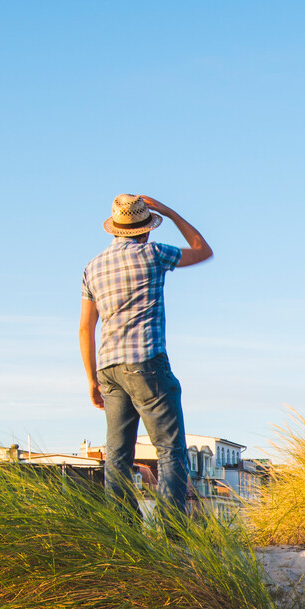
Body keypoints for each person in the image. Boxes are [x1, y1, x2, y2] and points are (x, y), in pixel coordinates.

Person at [79, 194, 213, 517]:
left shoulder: (93, 267)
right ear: (147, 229)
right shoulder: (152, 253)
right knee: (170, 450)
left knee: (117, 456)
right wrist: (167, 210)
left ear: (115, 229)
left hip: (108, 368)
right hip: (146, 362)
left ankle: (127, 537)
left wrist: (91, 380)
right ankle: (171, 535)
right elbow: (202, 250)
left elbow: (85, 327)